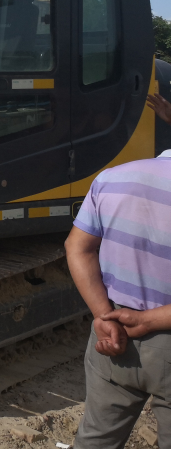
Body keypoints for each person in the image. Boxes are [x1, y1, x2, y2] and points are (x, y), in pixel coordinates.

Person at [65, 92, 171, 448]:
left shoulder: (112, 178)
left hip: (112, 337)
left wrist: (103, 314)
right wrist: (152, 321)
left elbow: (76, 247)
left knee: (96, 439)